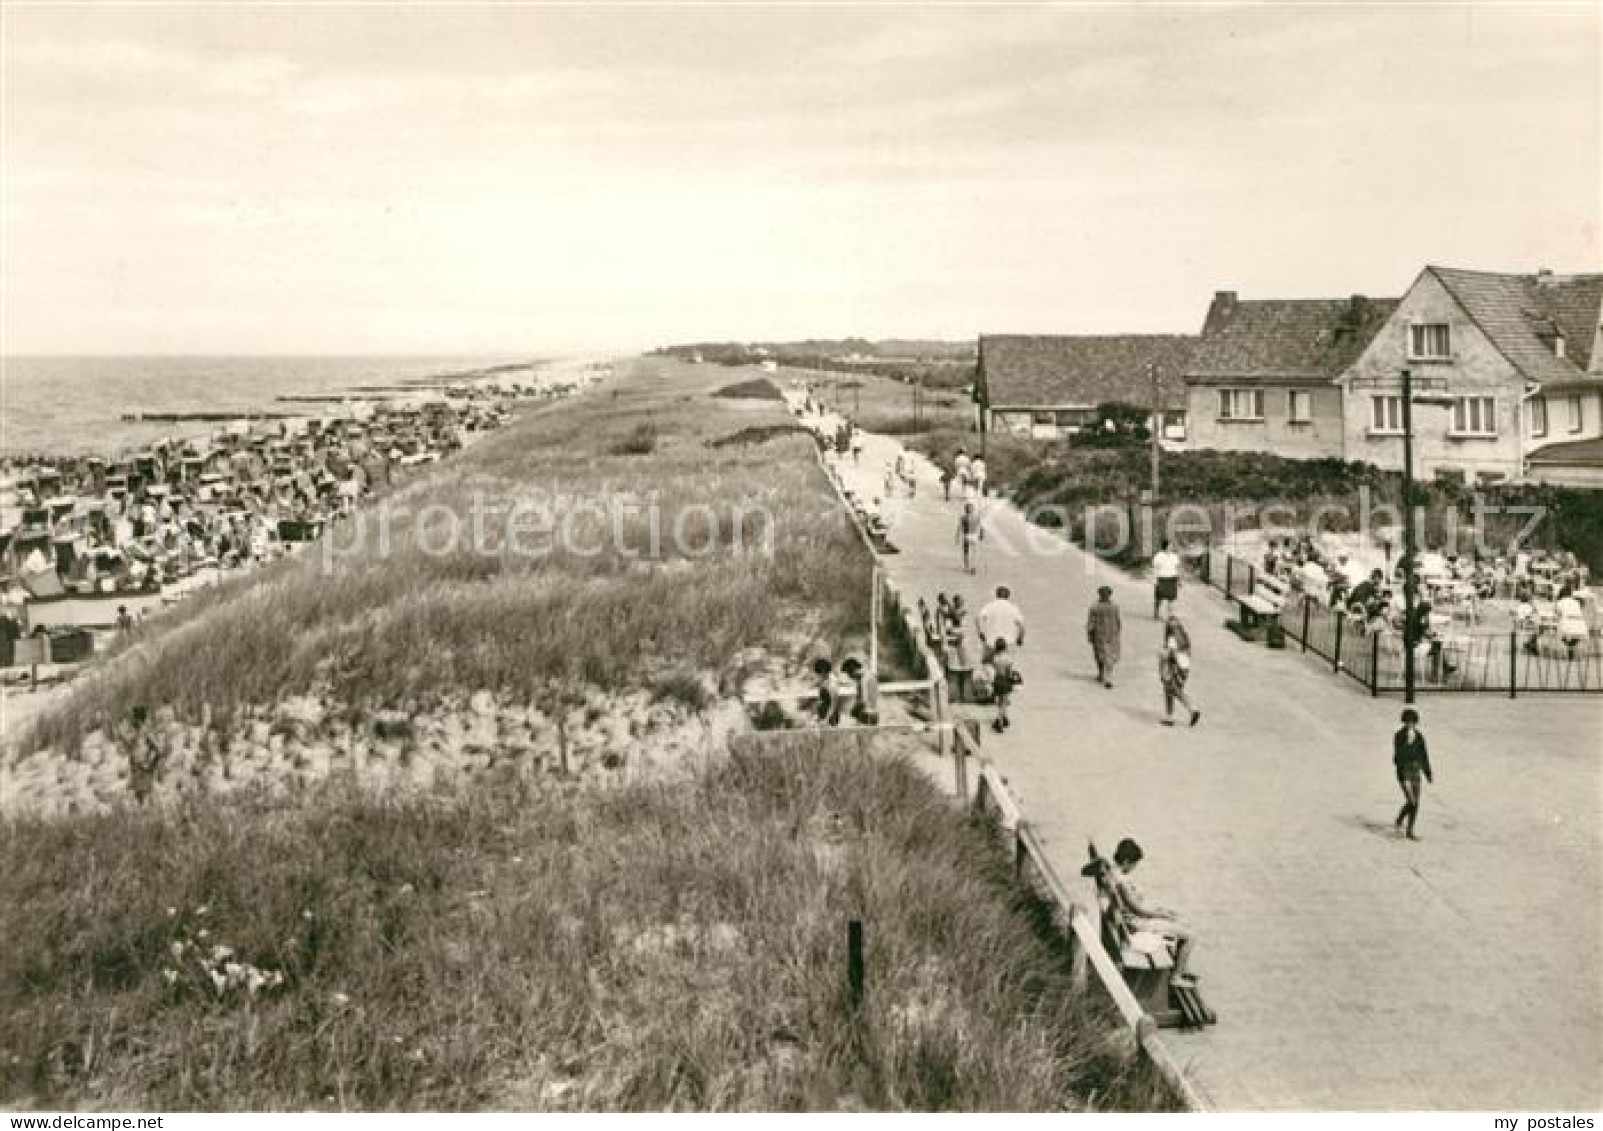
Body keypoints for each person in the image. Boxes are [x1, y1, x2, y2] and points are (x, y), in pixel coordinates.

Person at [1107, 838, 1199, 984]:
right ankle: (1176, 977)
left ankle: (1180, 967)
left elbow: (1133, 908)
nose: (1135, 867)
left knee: (1181, 922)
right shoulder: (1122, 882)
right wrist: (1160, 914)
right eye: (1134, 864)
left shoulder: (1112, 874)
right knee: (1191, 936)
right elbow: (1138, 910)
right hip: (1137, 925)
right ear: (1126, 861)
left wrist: (1159, 911)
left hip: (1132, 922)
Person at [1392, 707, 1433, 840]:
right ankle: (1404, 824)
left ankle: (1406, 826)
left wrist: (1427, 772)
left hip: (1415, 770)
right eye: (1408, 721)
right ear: (1404, 722)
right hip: (1403, 770)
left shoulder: (1419, 736)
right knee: (1412, 801)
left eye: (1413, 721)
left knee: (1416, 802)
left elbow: (1423, 755)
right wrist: (1401, 772)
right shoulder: (1399, 736)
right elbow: (1398, 755)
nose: (1410, 724)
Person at [1158, 612, 1201, 727]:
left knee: (1171, 690)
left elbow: (1171, 654)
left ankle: (1190, 710)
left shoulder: (1171, 637)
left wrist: (1162, 655)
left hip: (1174, 667)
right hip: (1185, 667)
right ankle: (1176, 714)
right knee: (1174, 691)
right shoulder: (1184, 635)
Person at [126, 705, 165, 805]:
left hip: (144, 768)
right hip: (136, 768)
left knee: (145, 797)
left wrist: (150, 762)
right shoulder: (135, 733)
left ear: (139, 720)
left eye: (134, 718)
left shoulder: (147, 732)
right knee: (138, 797)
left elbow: (159, 749)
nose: (131, 721)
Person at [1086, 585, 1122, 688]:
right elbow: (1118, 621)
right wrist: (1118, 631)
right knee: (1110, 655)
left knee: (1100, 654)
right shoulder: (1115, 606)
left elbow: (1090, 623)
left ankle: (1103, 674)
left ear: (1099, 594)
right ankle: (1107, 675)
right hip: (1112, 634)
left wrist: (1089, 634)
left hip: (1099, 634)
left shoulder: (1095, 607)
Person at [977, 585, 1025, 661]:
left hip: (991, 642)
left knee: (986, 663)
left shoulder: (989, 606)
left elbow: (978, 619)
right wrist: (1020, 639)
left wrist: (981, 633)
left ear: (997, 595)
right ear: (1008, 596)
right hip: (1008, 643)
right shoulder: (1013, 608)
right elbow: (1021, 626)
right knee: (1008, 666)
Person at [989, 638, 1018, 732]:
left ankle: (1003, 718)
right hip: (1005, 680)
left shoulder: (995, 658)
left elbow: (994, 669)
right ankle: (1000, 723)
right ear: (1005, 647)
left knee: (1001, 701)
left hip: (997, 680)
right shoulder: (1008, 659)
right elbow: (1009, 672)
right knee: (1004, 702)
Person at [1151, 539, 1181, 619]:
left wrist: (1179, 579)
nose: (1171, 547)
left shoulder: (1174, 556)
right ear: (1165, 547)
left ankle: (1170, 615)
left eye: (1171, 546)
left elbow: (1177, 568)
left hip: (1172, 579)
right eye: (1170, 546)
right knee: (1159, 597)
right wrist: (1155, 580)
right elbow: (1155, 569)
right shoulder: (1158, 556)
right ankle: (1156, 612)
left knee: (1171, 598)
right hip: (1162, 578)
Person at [956, 501, 982, 574]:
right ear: (972, 509)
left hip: (966, 536)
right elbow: (980, 526)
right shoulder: (977, 517)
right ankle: (973, 567)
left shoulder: (963, 518)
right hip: (974, 536)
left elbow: (959, 527)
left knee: (966, 552)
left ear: (965, 510)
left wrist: (957, 537)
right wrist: (980, 535)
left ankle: (966, 567)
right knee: (975, 552)